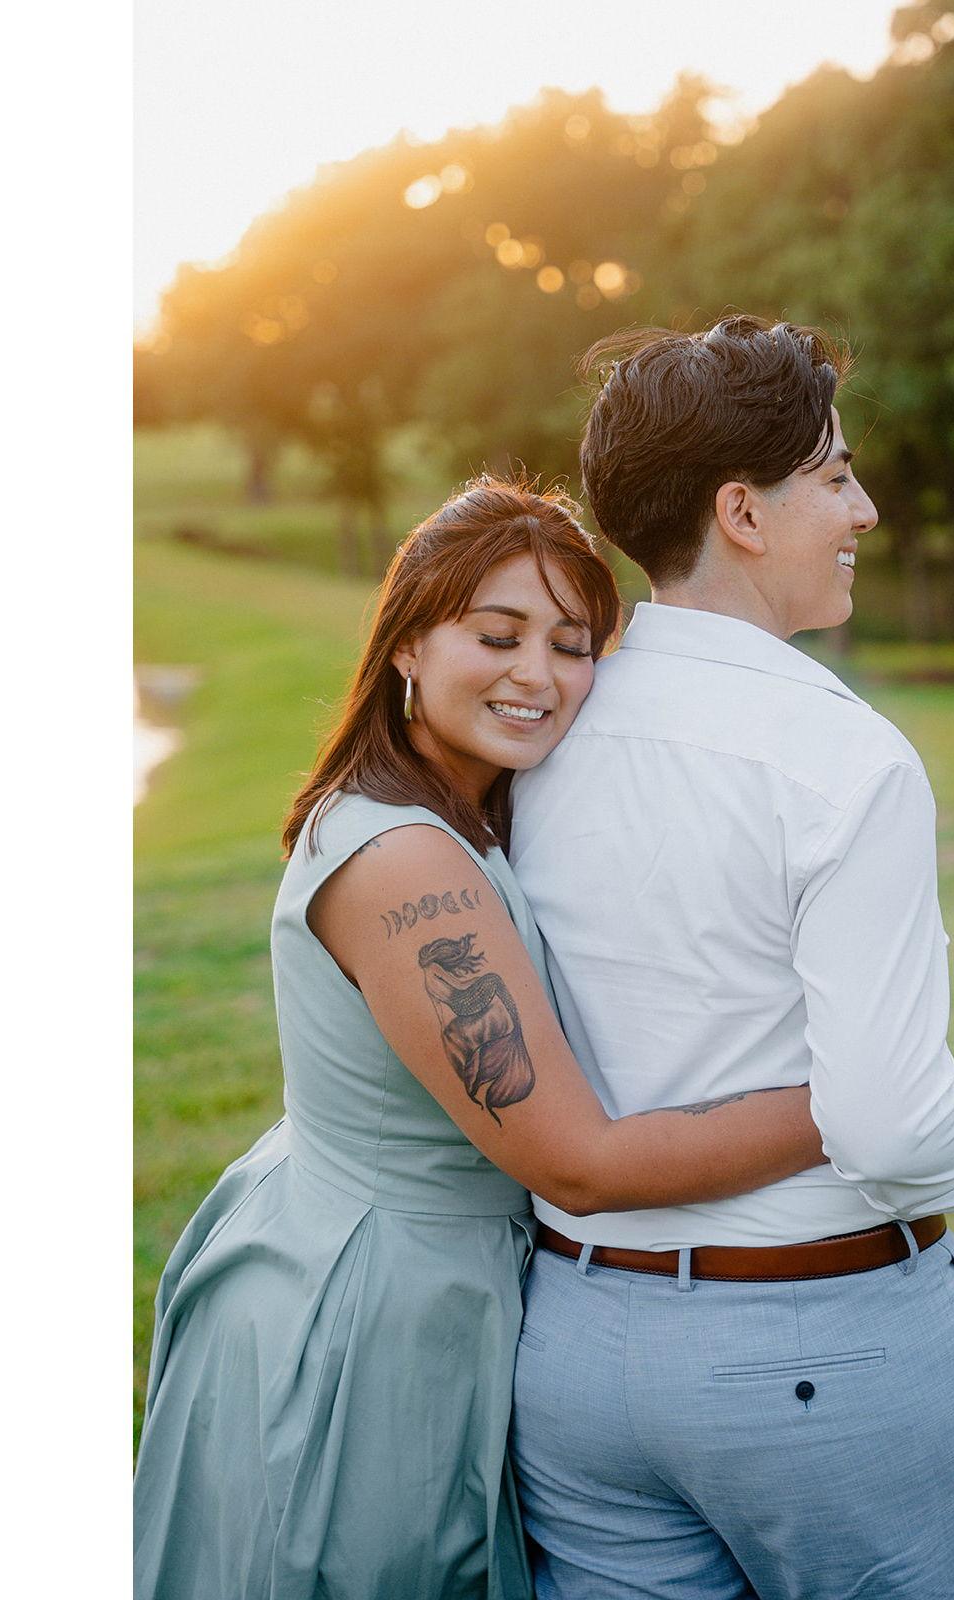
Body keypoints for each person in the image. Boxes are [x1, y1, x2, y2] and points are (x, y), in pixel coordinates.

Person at [132, 479, 829, 1600]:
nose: (536, 674)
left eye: (572, 644)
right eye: (497, 636)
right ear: (408, 642)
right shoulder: (406, 863)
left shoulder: (462, 809)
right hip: (383, 1314)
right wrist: (850, 1100)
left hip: (392, 1259)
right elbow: (578, 1163)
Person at [509, 317, 954, 1599]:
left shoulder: (538, 738)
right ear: (741, 510)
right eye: (835, 476)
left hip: (574, 1350)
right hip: (814, 1352)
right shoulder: (845, 759)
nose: (865, 509)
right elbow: (890, 1125)